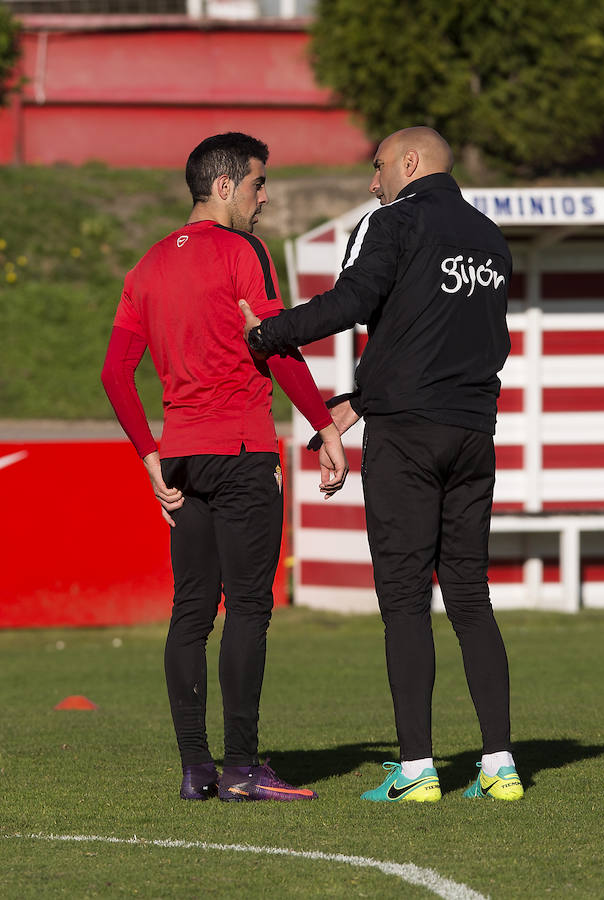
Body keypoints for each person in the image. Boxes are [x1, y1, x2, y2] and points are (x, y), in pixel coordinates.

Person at [240, 126, 524, 803]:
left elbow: (353, 303)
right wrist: (359, 399)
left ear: (407, 162)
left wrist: (267, 332)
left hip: (407, 439)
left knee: (402, 600)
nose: (371, 182)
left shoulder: (393, 219)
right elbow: (453, 336)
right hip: (472, 433)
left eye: (375, 168)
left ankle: (418, 770)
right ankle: (499, 766)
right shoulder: (490, 238)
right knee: (469, 598)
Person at [101, 132, 348, 803]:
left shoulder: (146, 266)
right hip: (239, 453)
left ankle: (195, 769)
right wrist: (324, 426)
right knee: (247, 609)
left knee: (189, 614)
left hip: (180, 457)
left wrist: (149, 455)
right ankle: (241, 767)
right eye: (257, 184)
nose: (263, 198)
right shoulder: (243, 251)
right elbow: (275, 347)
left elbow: (115, 373)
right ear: (223, 186)